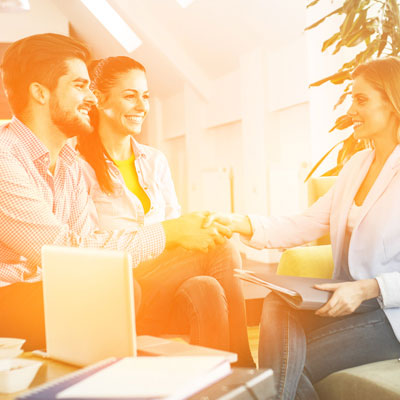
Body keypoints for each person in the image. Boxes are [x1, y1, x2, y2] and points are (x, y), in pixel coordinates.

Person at [0, 33, 229, 351]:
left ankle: (239, 383)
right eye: (80, 86)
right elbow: (65, 250)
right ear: (40, 92)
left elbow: (86, 251)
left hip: (51, 285)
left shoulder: (69, 164)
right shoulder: (3, 158)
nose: (91, 99)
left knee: (215, 249)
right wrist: (169, 232)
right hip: (8, 297)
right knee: (112, 288)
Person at [204, 57, 400, 399]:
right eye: (352, 98)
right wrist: (243, 223)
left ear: (394, 101)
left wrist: (368, 288)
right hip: (346, 299)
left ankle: (261, 391)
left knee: (290, 365)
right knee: (278, 303)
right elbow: (308, 222)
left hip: (388, 311)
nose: (351, 109)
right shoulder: (357, 165)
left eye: (362, 99)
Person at [76, 56, 254, 366]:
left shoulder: (154, 160)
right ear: (100, 99)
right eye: (130, 95)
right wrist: (179, 235)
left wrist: (198, 229)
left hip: (165, 275)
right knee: (223, 246)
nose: (142, 106)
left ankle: (211, 386)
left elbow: (174, 222)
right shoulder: (78, 165)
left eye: (145, 96)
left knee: (207, 287)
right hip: (122, 283)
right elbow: (88, 244)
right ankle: (245, 369)